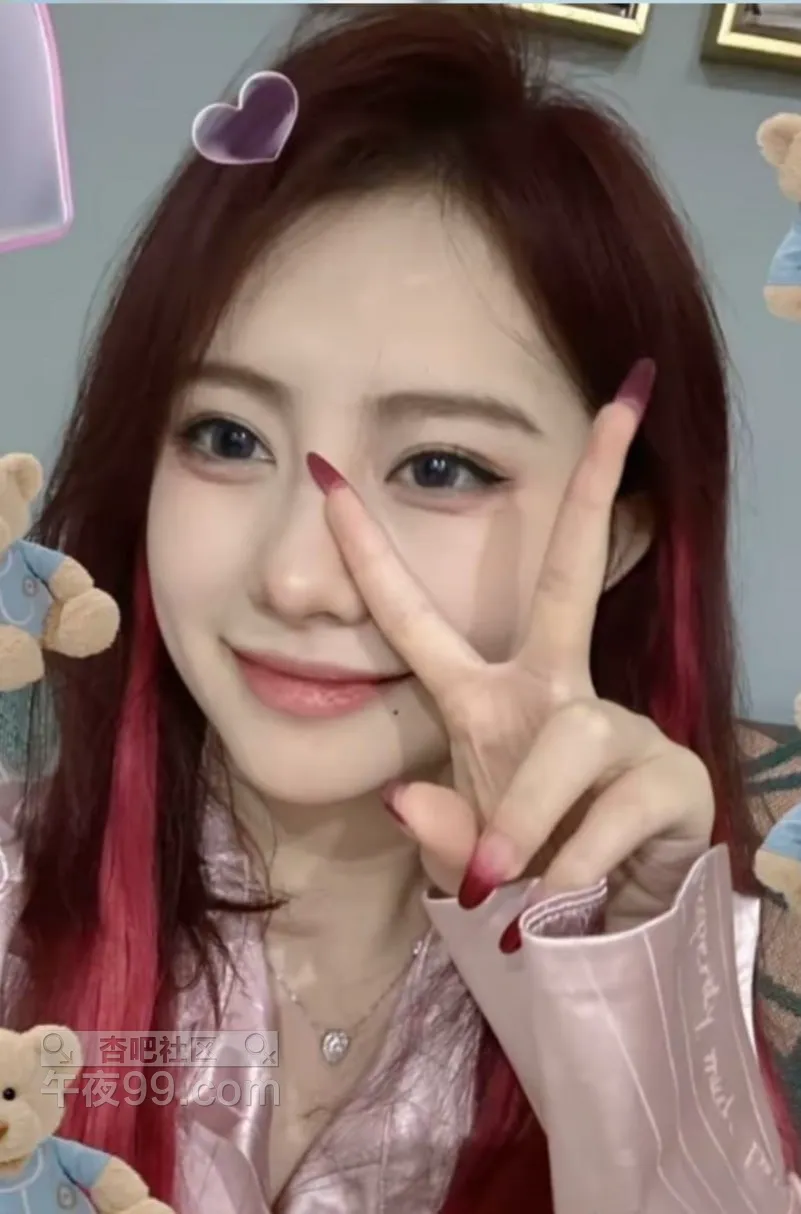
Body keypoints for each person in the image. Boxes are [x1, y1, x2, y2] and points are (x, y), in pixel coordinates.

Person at [0, 4, 797, 1212]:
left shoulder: (656, 968)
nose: (298, 578)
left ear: (619, 536)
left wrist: (632, 1009)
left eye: (440, 466)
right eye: (225, 436)